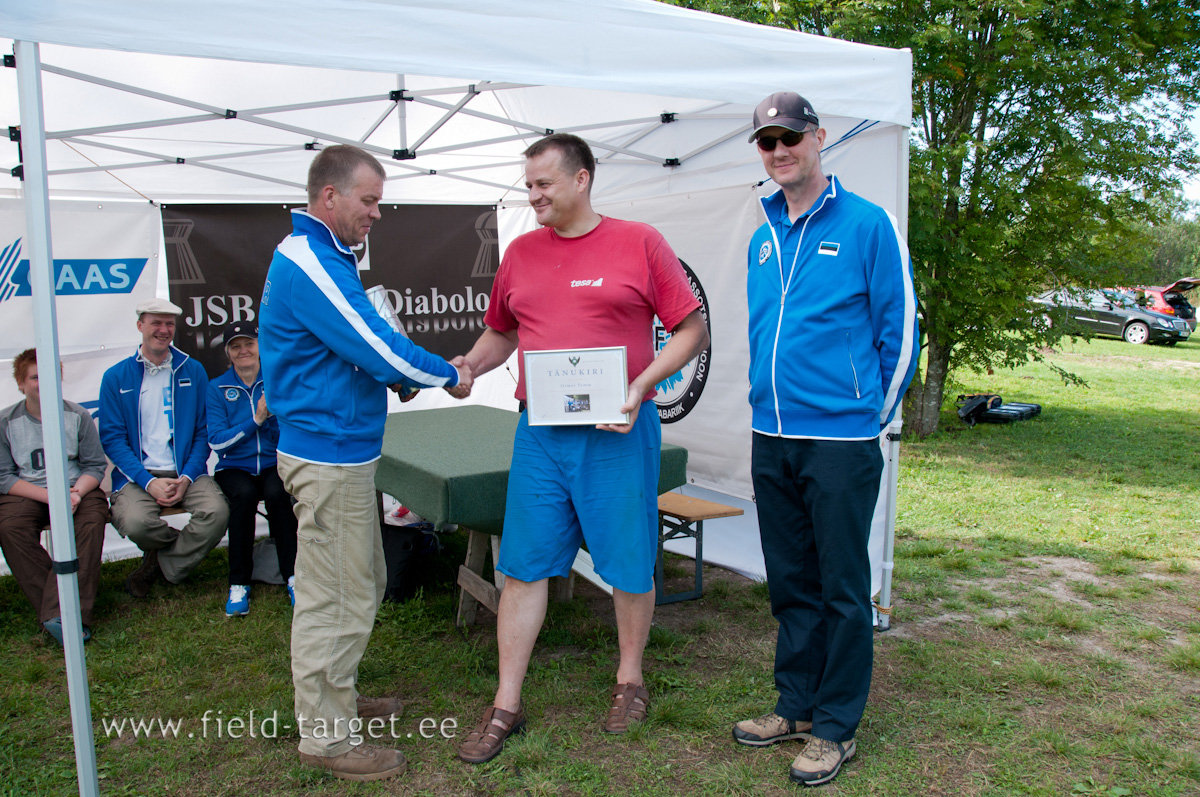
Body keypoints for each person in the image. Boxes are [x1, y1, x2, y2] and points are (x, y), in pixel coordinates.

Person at [454, 133, 709, 765]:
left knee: (627, 563)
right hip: (540, 434)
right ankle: (505, 703)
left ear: (581, 180)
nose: (532, 194)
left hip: (617, 434)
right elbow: (501, 331)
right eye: (528, 184)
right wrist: (468, 367)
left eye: (543, 183)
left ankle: (629, 680)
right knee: (522, 566)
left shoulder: (639, 241)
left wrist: (643, 385)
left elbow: (692, 328)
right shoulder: (519, 253)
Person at [258, 144, 471, 782]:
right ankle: (327, 735)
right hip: (328, 458)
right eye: (369, 200)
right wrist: (446, 374)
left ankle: (336, 700)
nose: (377, 213)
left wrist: (403, 375)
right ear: (331, 196)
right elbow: (374, 343)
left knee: (361, 581)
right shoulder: (312, 260)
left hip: (339, 452)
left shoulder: (320, 254)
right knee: (339, 595)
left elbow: (353, 349)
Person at [732, 92, 918, 787]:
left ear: (819, 137)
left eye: (790, 136)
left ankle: (836, 725)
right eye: (766, 141)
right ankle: (796, 705)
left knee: (841, 584)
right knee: (791, 582)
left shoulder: (869, 224)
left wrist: (870, 414)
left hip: (839, 439)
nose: (779, 150)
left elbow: (900, 332)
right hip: (769, 434)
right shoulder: (761, 234)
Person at [100, 298, 230, 598]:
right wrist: (148, 482)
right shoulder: (116, 377)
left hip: (185, 471)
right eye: (156, 323)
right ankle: (171, 556)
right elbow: (113, 440)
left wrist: (185, 479)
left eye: (169, 324)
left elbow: (201, 433)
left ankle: (157, 564)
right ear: (140, 326)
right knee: (137, 523)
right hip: (137, 475)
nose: (163, 330)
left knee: (217, 512)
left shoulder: (193, 370)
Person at [0, 348, 108, 645]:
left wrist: (74, 493)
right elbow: (4, 477)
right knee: (10, 527)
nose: (44, 382)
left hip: (77, 489)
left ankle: (62, 617)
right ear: (21, 383)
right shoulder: (6, 421)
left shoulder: (77, 415)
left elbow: (94, 466)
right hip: (29, 492)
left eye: (50, 376)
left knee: (90, 523)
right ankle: (62, 610)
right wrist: (51, 497)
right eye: (36, 377)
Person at [206, 320, 298, 617]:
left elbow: (292, 429)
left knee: (277, 494)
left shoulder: (276, 381)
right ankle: (238, 583)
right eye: (236, 346)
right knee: (243, 496)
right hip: (234, 467)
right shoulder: (216, 388)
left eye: (249, 344)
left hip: (274, 462)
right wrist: (255, 421)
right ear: (228, 352)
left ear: (260, 347)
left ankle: (294, 577)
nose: (243, 350)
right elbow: (218, 442)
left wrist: (270, 423)